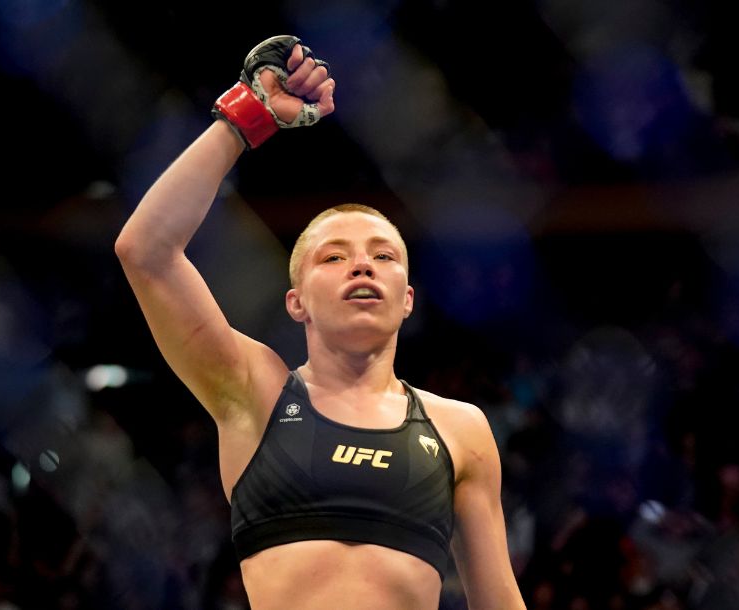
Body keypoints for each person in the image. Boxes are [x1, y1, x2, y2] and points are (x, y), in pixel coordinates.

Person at [115, 35, 525, 609]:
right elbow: (146, 251)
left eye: (383, 255)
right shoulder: (253, 392)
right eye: (334, 256)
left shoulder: (462, 430)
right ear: (296, 301)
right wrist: (245, 117)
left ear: (406, 299)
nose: (361, 262)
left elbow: (497, 600)